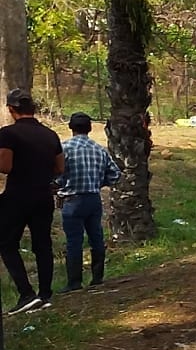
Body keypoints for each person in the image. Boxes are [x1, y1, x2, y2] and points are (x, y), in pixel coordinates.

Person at [0, 89, 63, 314]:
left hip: (17, 196)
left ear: (11, 109)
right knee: (42, 245)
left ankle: (26, 293)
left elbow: (5, 166)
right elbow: (59, 168)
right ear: (32, 108)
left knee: (6, 244)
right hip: (43, 196)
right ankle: (45, 294)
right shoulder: (50, 134)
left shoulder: (8, 134)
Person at [56, 112, 120, 291]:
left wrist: (58, 185)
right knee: (96, 238)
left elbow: (56, 174)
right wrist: (99, 183)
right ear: (90, 128)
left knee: (74, 241)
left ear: (71, 128)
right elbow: (115, 174)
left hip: (72, 200)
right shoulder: (99, 149)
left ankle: (74, 282)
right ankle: (97, 278)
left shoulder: (64, 148)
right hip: (93, 198)